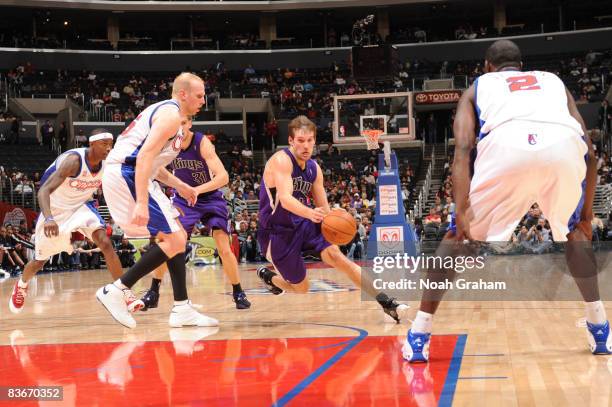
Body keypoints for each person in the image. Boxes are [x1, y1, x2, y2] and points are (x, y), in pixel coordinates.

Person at [404, 40, 611, 362]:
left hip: (505, 145)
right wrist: (585, 214)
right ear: (521, 65)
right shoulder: (553, 81)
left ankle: (419, 334)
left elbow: (462, 148)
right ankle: (600, 329)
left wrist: (460, 213)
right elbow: (590, 149)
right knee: (576, 234)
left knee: (455, 239)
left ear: (488, 66)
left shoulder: (478, 87)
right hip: (562, 146)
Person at [256, 115, 408, 322]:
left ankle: (386, 302)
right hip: (277, 231)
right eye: (300, 141)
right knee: (301, 288)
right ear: (291, 141)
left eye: (310, 140)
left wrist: (333, 221)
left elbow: (323, 207)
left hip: (304, 223)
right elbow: (284, 199)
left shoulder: (313, 168)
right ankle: (269, 277)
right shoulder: (281, 160)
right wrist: (311, 213)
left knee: (337, 256)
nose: (306, 146)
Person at [96, 72, 218, 329]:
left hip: (135, 175)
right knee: (174, 238)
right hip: (126, 174)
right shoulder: (170, 115)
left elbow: (155, 164)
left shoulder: (174, 119)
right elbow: (143, 158)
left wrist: (182, 186)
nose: (203, 101)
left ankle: (182, 308)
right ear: (183, 94)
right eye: (199, 95)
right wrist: (141, 202)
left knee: (176, 236)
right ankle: (117, 290)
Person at [8, 130, 135, 314]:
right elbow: (43, 191)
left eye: (111, 143)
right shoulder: (74, 161)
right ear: (92, 144)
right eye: (104, 144)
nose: (109, 147)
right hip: (55, 208)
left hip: (80, 206)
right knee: (39, 262)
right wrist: (49, 217)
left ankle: (124, 291)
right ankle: (21, 285)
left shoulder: (108, 163)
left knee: (106, 243)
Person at [138, 116, 251, 311]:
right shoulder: (167, 143)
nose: (179, 128)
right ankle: (153, 291)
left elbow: (223, 177)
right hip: (183, 200)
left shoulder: (202, 143)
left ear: (189, 124)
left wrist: (197, 190)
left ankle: (238, 291)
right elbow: (155, 169)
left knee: (223, 245)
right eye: (175, 124)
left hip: (210, 198)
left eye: (182, 123)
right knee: (168, 243)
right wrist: (181, 187)